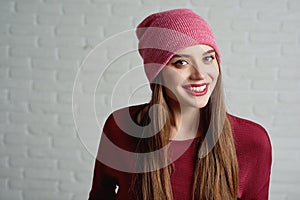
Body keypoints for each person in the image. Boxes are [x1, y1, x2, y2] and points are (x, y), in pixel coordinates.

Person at [88, 8, 272, 200]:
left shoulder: (252, 142)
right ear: (156, 74)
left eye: (208, 58)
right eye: (181, 62)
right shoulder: (120, 128)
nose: (200, 75)